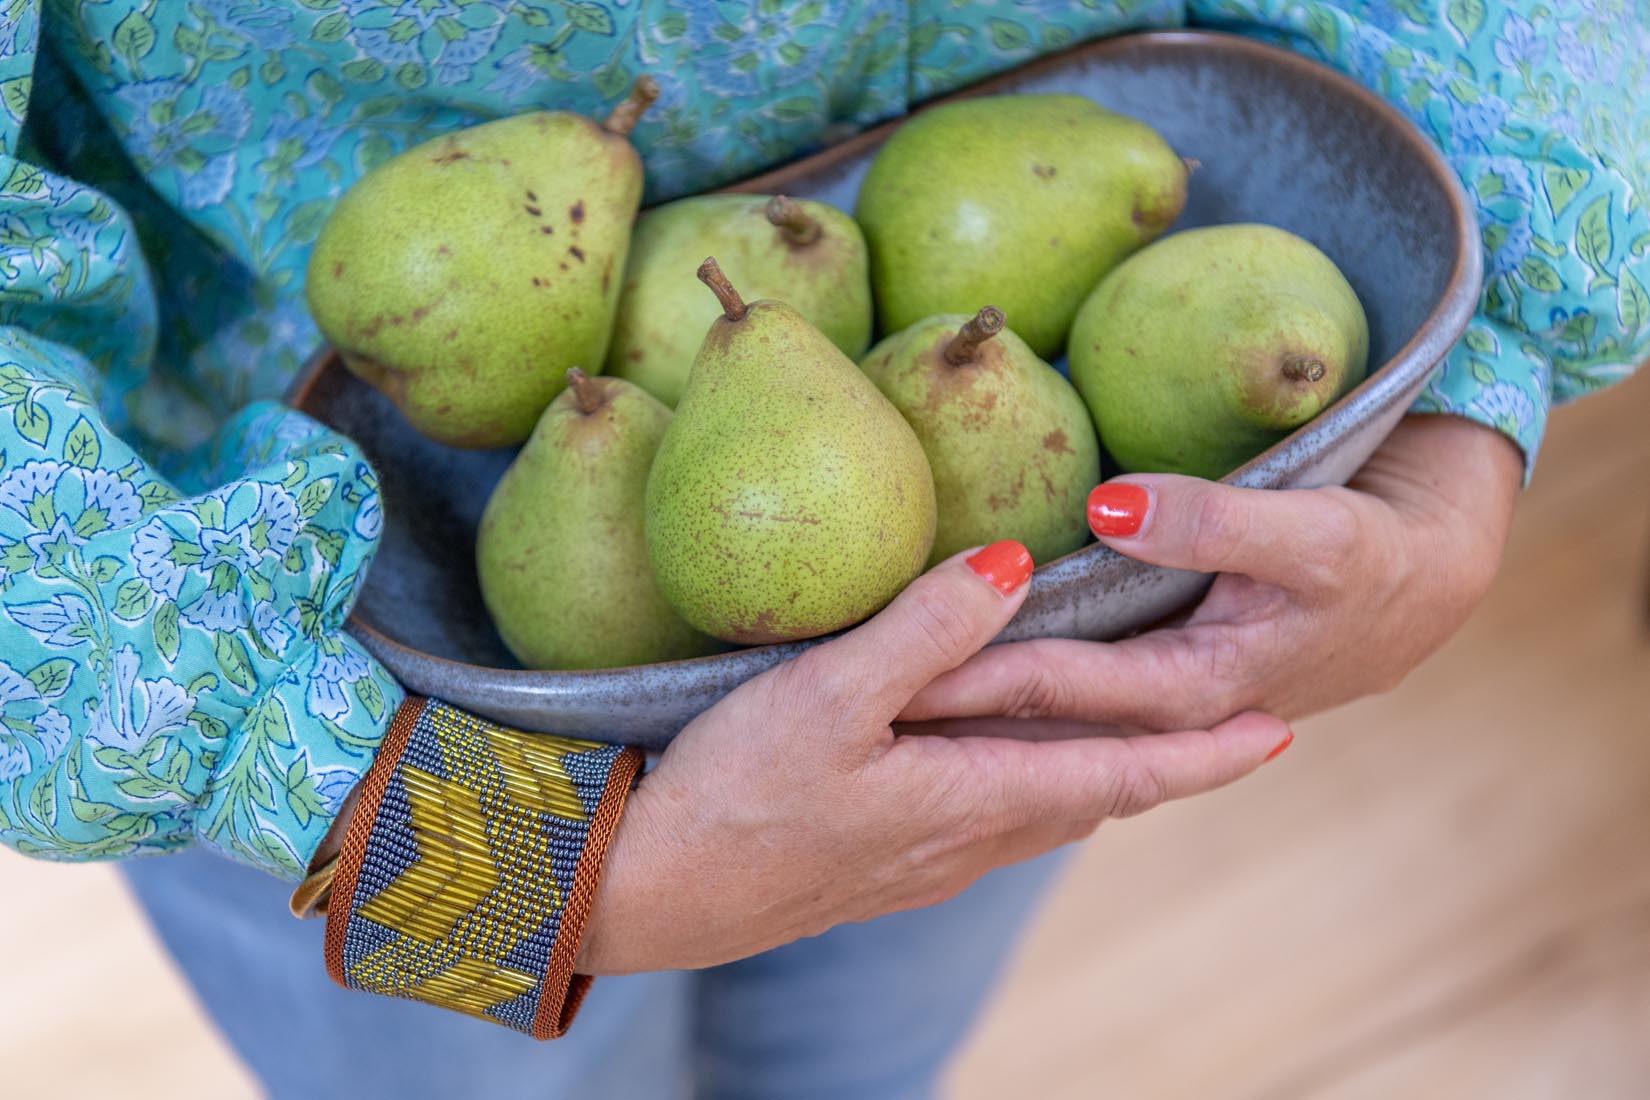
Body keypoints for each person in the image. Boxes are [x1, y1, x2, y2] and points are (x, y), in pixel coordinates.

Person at [1, 1, 1642, 1096]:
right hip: (311, 690)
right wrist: (487, 871)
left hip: (997, 610)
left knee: (868, 1035)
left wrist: (1468, 388)